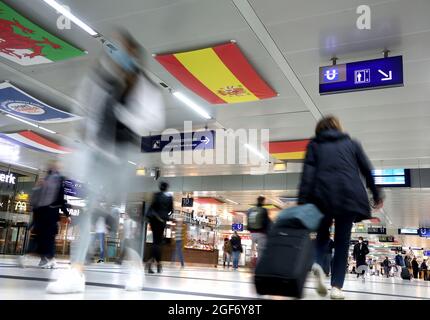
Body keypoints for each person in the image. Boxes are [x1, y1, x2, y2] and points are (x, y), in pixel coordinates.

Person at [47, 29, 152, 294]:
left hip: (123, 156)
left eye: (125, 53)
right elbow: (85, 111)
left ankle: (134, 264)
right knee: (88, 212)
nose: (119, 58)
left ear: (134, 58)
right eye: (115, 51)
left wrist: (123, 111)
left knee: (121, 216)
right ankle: (75, 271)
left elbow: (151, 119)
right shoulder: (100, 81)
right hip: (97, 155)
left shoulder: (142, 87)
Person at [298, 116, 383, 300]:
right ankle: (336, 288)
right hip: (349, 197)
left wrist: (302, 202)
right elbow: (367, 170)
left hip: (322, 196)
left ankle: (318, 264)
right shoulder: (352, 144)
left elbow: (307, 174)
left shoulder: (314, 145)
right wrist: (376, 194)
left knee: (322, 235)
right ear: (338, 128)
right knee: (342, 243)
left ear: (319, 129)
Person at [146, 181, 173, 274]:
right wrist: (166, 215)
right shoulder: (169, 197)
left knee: (156, 242)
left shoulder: (156, 195)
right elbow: (171, 210)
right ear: (166, 188)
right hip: (162, 221)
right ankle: (154, 264)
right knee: (157, 243)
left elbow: (152, 207)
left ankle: (156, 264)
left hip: (154, 221)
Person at [247, 196, 271, 263]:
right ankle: (259, 265)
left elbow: (248, 223)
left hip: (252, 233)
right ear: (263, 201)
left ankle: (250, 261)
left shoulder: (250, 210)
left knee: (252, 248)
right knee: (261, 250)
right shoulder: (264, 210)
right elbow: (267, 222)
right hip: (261, 233)